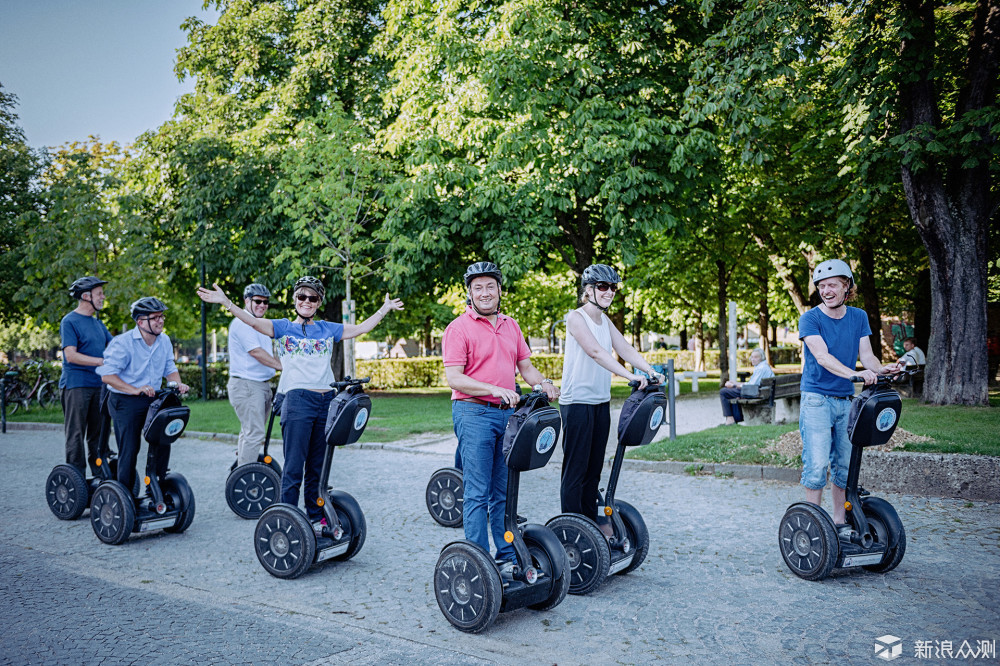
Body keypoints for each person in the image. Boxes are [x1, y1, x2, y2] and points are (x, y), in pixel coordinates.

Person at [197, 277, 402, 529]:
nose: (306, 301)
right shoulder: (282, 327)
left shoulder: (328, 328)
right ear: (295, 300)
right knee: (294, 467)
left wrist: (384, 308)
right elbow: (251, 321)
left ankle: (315, 517)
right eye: (302, 297)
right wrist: (226, 303)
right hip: (297, 401)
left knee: (317, 467)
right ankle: (288, 518)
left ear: (318, 303)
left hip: (326, 401)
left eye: (312, 298)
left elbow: (361, 328)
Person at [442, 262, 559, 570]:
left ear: (499, 290)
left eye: (490, 287)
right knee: (477, 492)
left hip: (508, 416)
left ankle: (506, 556)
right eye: (477, 287)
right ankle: (478, 562)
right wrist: (493, 388)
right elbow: (454, 378)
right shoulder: (458, 328)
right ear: (469, 292)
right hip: (472, 413)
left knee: (503, 491)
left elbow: (526, 368)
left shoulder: (511, 325)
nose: (484, 293)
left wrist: (543, 382)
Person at [559, 264, 663, 535]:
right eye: (603, 287)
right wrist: (628, 375)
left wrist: (649, 369)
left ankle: (589, 524)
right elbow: (594, 351)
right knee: (576, 470)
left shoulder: (605, 321)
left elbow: (624, 347)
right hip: (576, 403)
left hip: (599, 402)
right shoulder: (576, 318)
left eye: (613, 287)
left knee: (594, 469)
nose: (609, 292)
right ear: (588, 289)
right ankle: (572, 528)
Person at [798, 259, 896, 539]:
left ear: (847, 287)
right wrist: (854, 375)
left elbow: (867, 356)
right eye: (821, 286)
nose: (826, 291)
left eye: (832, 285)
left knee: (844, 466)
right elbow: (822, 356)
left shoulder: (858, 317)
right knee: (816, 464)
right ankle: (811, 525)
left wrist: (880, 369)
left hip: (845, 401)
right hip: (816, 398)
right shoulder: (810, 318)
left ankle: (839, 525)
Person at [98, 298, 190, 494]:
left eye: (161, 316)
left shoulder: (164, 340)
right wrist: (134, 389)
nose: (160, 321)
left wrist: (177, 384)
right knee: (130, 448)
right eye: (155, 318)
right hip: (125, 400)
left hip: (152, 399)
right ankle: (124, 495)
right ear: (140, 322)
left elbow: (170, 369)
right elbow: (107, 376)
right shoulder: (123, 343)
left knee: (163, 440)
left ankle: (156, 487)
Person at [59, 276, 113, 475]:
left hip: (98, 385)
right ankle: (77, 479)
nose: (103, 297)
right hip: (76, 385)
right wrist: (99, 361)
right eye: (99, 294)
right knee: (76, 434)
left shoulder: (98, 324)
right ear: (85, 296)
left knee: (99, 435)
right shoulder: (69, 321)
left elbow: (115, 348)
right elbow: (70, 355)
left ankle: (100, 477)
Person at [227, 283, 281, 467]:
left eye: (265, 302)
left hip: (260, 385)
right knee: (255, 434)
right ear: (246, 301)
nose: (262, 305)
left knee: (249, 431)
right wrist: (283, 367)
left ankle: (241, 470)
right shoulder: (242, 323)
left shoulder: (258, 325)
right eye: (257, 301)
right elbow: (256, 352)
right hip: (247, 385)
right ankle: (246, 481)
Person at [719, 347, 774, 425]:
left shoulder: (761, 368)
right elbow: (751, 383)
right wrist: (736, 383)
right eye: (752, 357)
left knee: (724, 392)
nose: (753, 359)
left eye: (756, 357)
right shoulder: (763, 366)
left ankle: (730, 419)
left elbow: (751, 386)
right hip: (759, 391)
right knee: (730, 391)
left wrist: (734, 385)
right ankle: (737, 418)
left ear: (762, 358)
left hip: (755, 393)